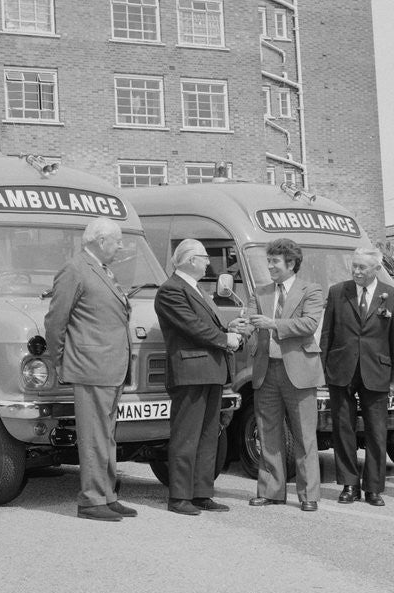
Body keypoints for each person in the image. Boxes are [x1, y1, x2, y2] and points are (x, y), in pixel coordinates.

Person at [44, 217, 135, 522]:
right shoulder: (75, 269)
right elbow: (56, 321)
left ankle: (107, 495)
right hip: (91, 367)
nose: (120, 246)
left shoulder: (101, 269)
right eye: (117, 240)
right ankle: (91, 500)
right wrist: (58, 361)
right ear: (100, 240)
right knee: (95, 436)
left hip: (109, 367)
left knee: (106, 436)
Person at [154, 239, 242, 516]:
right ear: (190, 260)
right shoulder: (170, 290)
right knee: (186, 436)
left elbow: (204, 325)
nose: (208, 263)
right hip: (190, 372)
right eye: (204, 258)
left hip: (210, 370)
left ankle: (202, 492)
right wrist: (226, 338)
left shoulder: (197, 289)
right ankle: (179, 496)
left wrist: (229, 327)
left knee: (207, 435)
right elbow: (192, 327)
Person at [319, 247, 394, 507]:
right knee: (343, 429)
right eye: (354, 266)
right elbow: (327, 334)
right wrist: (322, 371)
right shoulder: (337, 292)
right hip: (341, 370)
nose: (356, 271)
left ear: (376, 269)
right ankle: (348, 484)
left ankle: (373, 488)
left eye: (362, 267)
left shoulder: (392, 296)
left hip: (377, 372)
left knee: (377, 432)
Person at [245, 238, 325, 511]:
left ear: (291, 264)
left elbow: (309, 323)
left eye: (274, 261)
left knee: (305, 436)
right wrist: (242, 326)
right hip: (266, 371)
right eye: (268, 261)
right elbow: (251, 321)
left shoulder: (311, 290)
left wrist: (274, 324)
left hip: (300, 371)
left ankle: (309, 495)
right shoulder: (261, 292)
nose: (269, 266)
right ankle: (270, 491)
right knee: (267, 433)